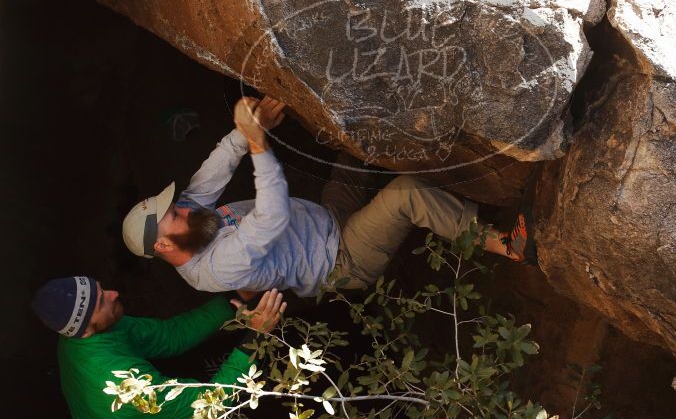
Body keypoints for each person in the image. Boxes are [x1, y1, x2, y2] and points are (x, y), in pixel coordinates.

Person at [121, 95, 537, 297]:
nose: (181, 206)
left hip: (324, 217)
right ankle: (508, 246)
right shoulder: (213, 270)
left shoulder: (188, 223)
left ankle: (476, 193)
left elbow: (215, 168)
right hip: (342, 260)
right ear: (162, 244)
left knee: (353, 149)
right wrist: (257, 142)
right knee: (406, 194)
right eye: (171, 213)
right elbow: (270, 217)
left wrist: (248, 127)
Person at [31, 276, 286, 419]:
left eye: (102, 289)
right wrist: (255, 337)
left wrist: (233, 300)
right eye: (101, 302)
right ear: (85, 330)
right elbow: (209, 404)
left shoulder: (92, 331)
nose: (113, 294)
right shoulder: (121, 385)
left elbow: (169, 336)